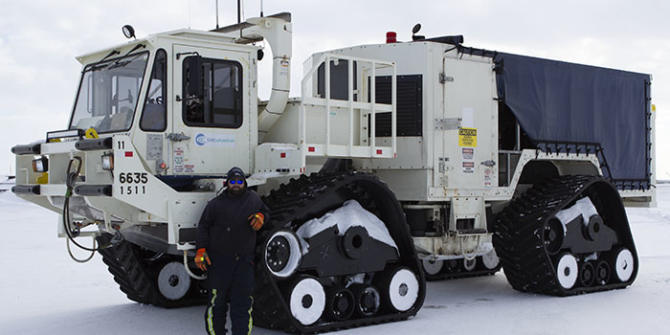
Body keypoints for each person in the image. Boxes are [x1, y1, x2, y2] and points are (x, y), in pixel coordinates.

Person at [195, 167, 269, 335]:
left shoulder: (253, 199)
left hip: (244, 263)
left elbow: (265, 211)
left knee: (242, 305)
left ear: (244, 183)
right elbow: (203, 227)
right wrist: (200, 250)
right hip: (219, 263)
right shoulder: (215, 204)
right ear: (226, 183)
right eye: (233, 181)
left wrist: (261, 217)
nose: (236, 185)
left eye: (239, 181)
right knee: (216, 304)